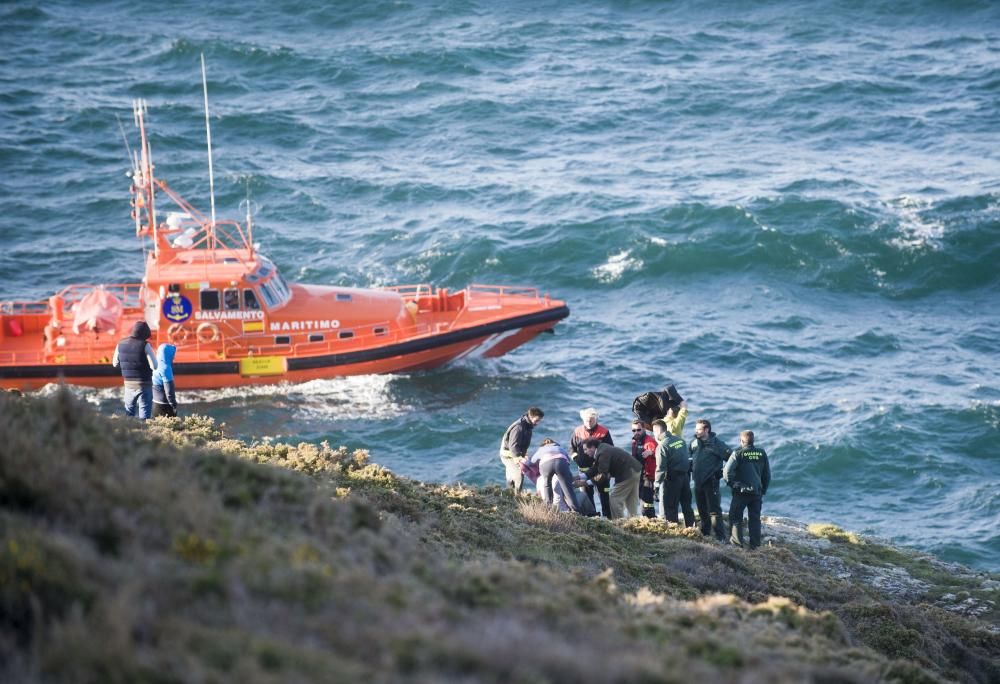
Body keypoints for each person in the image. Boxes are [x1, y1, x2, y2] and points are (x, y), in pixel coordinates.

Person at [724, 430, 771, 549]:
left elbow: (727, 472)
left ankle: (737, 544)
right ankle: (755, 546)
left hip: (741, 492)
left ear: (741, 441)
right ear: (753, 440)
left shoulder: (738, 453)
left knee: (735, 517)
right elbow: (767, 475)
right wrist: (763, 489)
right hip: (756, 492)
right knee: (755, 519)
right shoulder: (761, 453)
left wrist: (732, 484)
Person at [690, 418, 732, 541]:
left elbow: (732, 459)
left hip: (711, 482)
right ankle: (705, 534)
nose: (696, 431)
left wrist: (721, 473)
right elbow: (689, 456)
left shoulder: (718, 444)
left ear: (706, 430)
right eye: (695, 429)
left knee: (714, 511)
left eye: (699, 429)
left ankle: (721, 537)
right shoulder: (694, 443)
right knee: (702, 510)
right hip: (698, 481)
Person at [569, 408, 614, 517]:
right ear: (583, 420)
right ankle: (593, 519)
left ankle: (609, 520)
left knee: (605, 498)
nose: (589, 423)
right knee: (587, 499)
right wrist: (576, 459)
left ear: (596, 419)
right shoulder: (577, 431)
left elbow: (611, 450)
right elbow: (571, 449)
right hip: (584, 472)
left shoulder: (604, 432)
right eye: (586, 420)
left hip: (600, 471)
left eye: (591, 420)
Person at [651, 419, 695, 526]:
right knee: (687, 506)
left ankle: (674, 532)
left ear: (657, 431)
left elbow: (661, 469)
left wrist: (656, 485)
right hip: (685, 477)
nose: (653, 434)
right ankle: (692, 528)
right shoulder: (680, 440)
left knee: (670, 508)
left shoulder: (662, 446)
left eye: (653, 431)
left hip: (672, 479)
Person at [584, 438, 641, 519]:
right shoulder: (602, 447)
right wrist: (583, 476)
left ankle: (620, 524)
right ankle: (634, 522)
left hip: (627, 474)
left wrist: (586, 483)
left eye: (586, 449)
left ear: (592, 447)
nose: (584, 452)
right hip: (635, 470)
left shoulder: (602, 452)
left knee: (614, 500)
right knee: (631, 500)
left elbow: (602, 475)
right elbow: (596, 467)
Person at [111, 320, 157, 420]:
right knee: (144, 416)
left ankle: (130, 434)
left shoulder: (120, 344)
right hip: (144, 384)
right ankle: (144, 434)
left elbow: (115, 364)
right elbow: (154, 366)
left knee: (129, 413)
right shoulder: (145, 345)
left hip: (128, 384)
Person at [527, 438, 583, 513]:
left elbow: (532, 461)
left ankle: (548, 508)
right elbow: (568, 460)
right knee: (567, 488)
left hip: (546, 464)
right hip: (561, 463)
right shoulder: (560, 448)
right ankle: (576, 510)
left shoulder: (541, 449)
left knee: (547, 485)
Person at [499, 407, 544, 495]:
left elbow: (523, 443)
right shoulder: (519, 427)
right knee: (519, 475)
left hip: (514, 454)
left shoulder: (528, 425)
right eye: (537, 420)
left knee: (511, 477)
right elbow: (513, 446)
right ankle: (516, 498)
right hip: (508, 455)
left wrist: (524, 454)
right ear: (531, 416)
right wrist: (518, 459)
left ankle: (509, 496)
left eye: (540, 421)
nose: (538, 423)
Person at [631, 419, 658, 518]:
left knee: (647, 505)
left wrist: (651, 453)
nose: (636, 432)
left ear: (644, 429)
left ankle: (652, 521)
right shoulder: (634, 441)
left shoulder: (650, 441)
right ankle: (648, 520)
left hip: (648, 477)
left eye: (638, 430)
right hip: (639, 475)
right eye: (634, 430)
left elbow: (658, 452)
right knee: (642, 502)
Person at [152, 343, 178, 418]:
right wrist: (174, 405)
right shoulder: (166, 368)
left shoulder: (155, 364)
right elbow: (169, 391)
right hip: (164, 406)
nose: (174, 357)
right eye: (173, 354)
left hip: (155, 403)